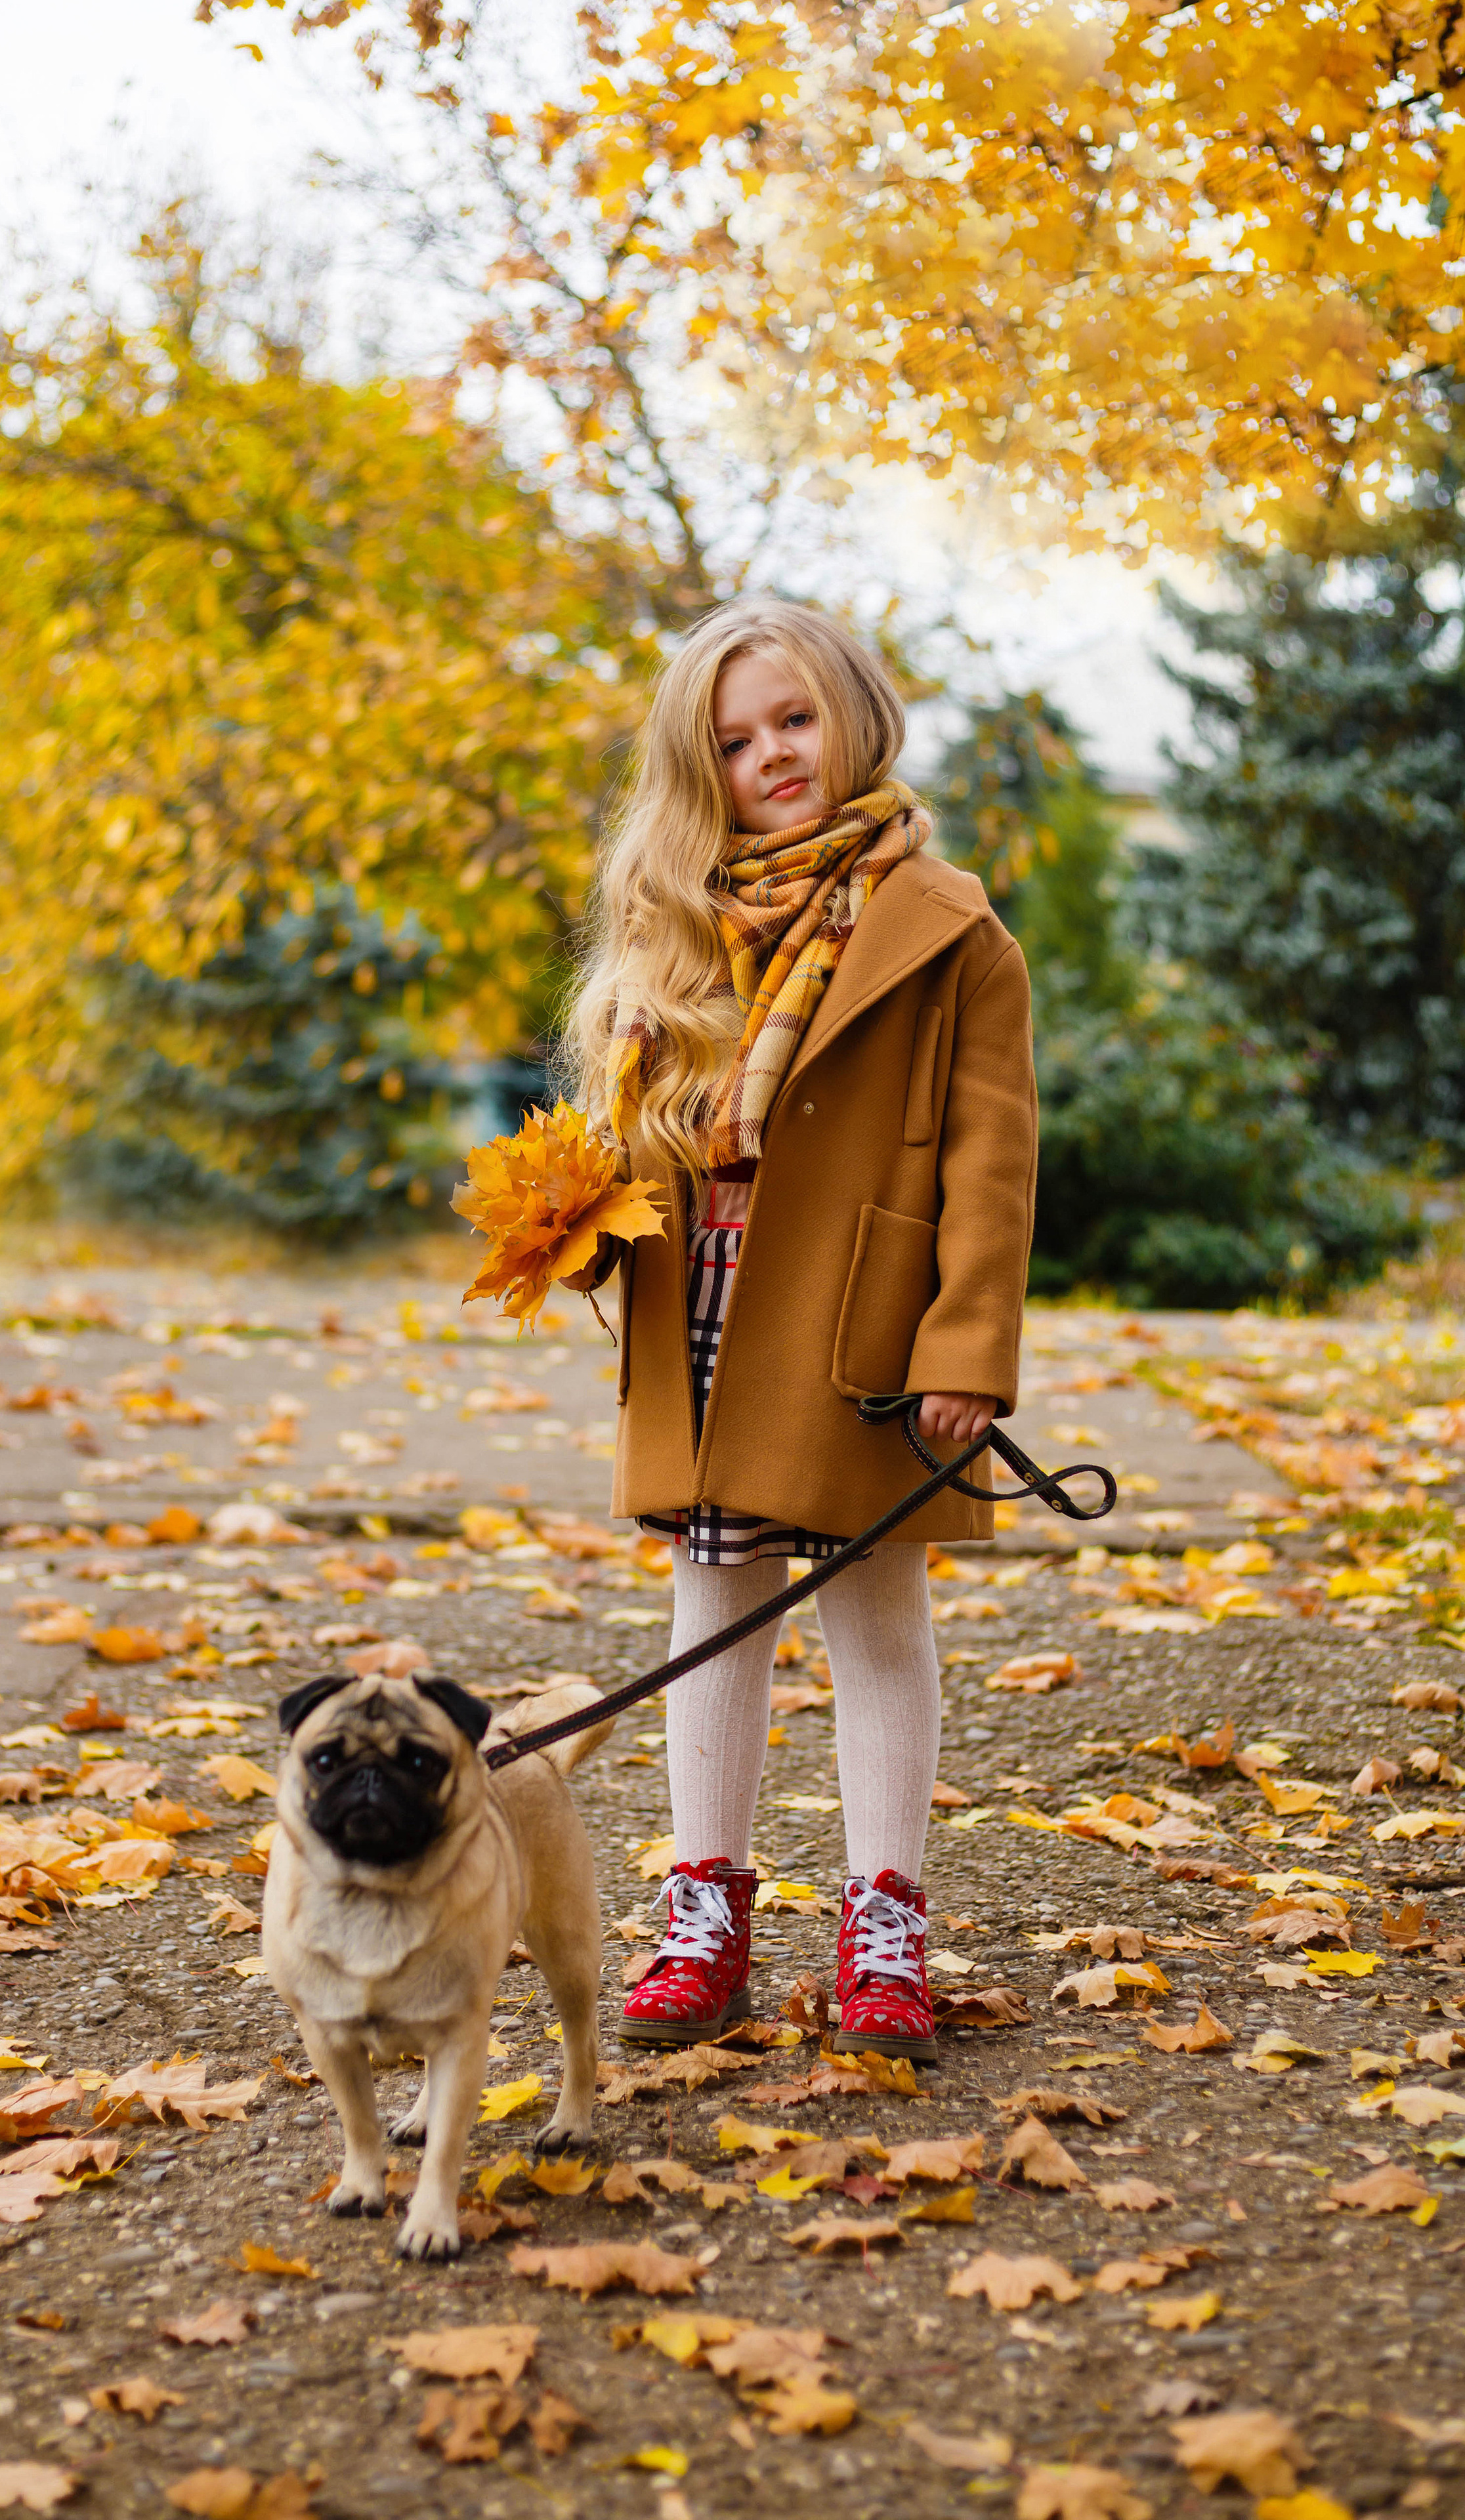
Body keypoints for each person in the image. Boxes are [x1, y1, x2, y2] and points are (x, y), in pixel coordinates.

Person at [560, 597, 1036, 2063]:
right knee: (715, 1611)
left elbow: (990, 1160)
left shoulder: (952, 933)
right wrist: (574, 1219)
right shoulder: (676, 920)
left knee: (875, 1614)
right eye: (735, 737)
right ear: (699, 763)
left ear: (851, 715)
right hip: (704, 1306)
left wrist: (963, 1348)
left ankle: (882, 1921)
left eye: (792, 719)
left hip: (860, 1321)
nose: (770, 753)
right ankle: (702, 1914)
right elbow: (632, 1129)